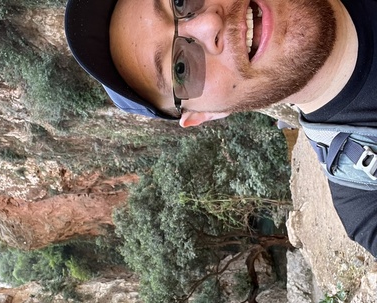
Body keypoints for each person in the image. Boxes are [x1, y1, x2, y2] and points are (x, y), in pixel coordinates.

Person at [65, 0, 377, 256]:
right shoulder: (368, 207)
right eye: (181, 69)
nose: (208, 24)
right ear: (205, 115)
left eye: (180, 2)